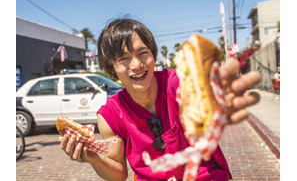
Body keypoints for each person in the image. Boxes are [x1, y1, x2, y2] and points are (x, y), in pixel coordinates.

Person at [60, 18, 261, 181]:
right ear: (112, 68)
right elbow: (119, 172)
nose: (137, 64)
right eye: (124, 59)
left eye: (143, 53)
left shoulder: (176, 84)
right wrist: (94, 159)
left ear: (153, 55)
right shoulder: (110, 116)